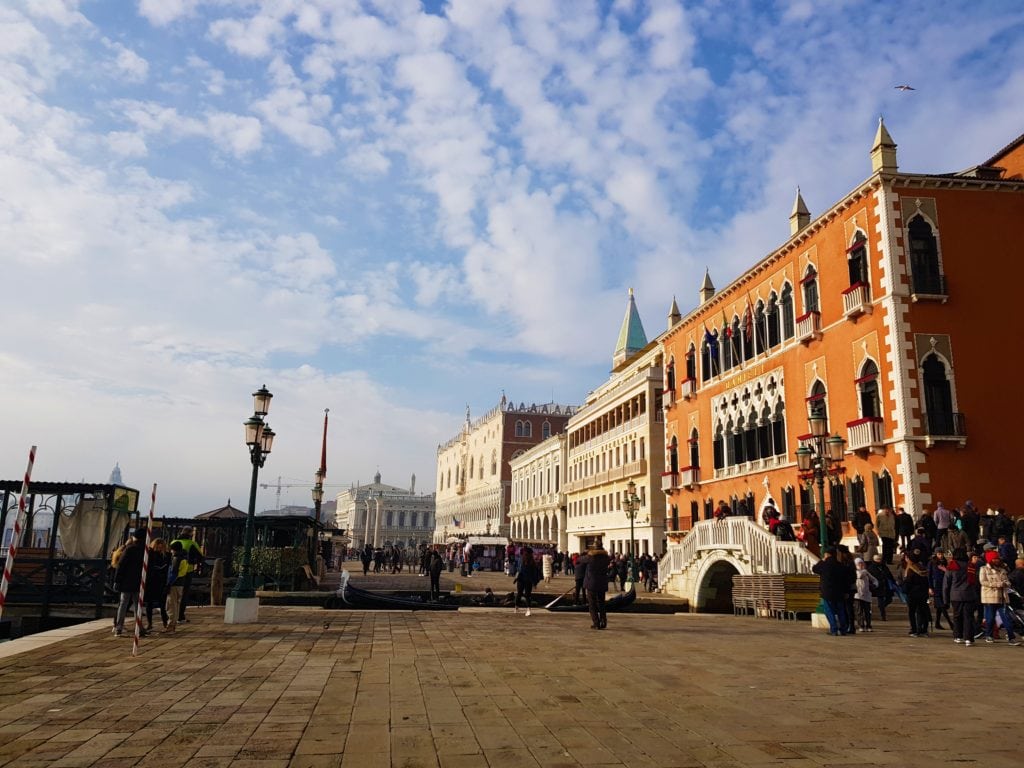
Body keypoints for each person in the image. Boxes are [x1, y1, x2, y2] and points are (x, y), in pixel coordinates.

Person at [979, 554, 1020, 645]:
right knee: (990, 618)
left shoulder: (1002, 570)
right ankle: (989, 635)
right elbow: (983, 582)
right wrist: (998, 584)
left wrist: (1005, 583)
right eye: (995, 559)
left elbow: (1007, 581)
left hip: (1002, 598)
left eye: (997, 559)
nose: (997, 560)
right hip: (990, 598)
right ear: (990, 560)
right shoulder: (984, 569)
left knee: (1006, 618)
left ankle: (1011, 638)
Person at [113, 531, 146, 637]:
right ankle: (140, 628)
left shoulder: (130, 549)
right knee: (138, 606)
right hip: (140, 582)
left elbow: (121, 565)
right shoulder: (146, 550)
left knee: (123, 604)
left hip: (126, 581)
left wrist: (117, 580)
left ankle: (119, 627)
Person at [943, 547, 979, 645]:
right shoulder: (970, 566)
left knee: (957, 616)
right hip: (969, 594)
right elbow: (974, 582)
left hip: (955, 595)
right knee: (969, 617)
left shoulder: (951, 566)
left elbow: (946, 585)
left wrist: (945, 600)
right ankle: (968, 638)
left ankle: (958, 636)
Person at [169, 526, 203, 624]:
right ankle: (180, 616)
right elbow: (200, 556)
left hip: (173, 571)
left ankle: (171, 616)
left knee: (171, 595)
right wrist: (194, 562)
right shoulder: (192, 543)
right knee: (183, 594)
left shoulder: (173, 542)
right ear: (190, 534)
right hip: (187, 571)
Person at [812, 548, 847, 635]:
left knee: (829, 611)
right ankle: (843, 629)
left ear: (827, 555)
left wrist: (821, 561)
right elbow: (845, 579)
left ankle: (834, 629)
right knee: (841, 611)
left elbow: (814, 569)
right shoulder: (840, 565)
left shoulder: (824, 565)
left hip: (827, 592)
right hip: (839, 591)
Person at [902, 549, 931, 637]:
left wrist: (905, 590)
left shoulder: (911, 569)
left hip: (913, 594)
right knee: (923, 611)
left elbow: (908, 583)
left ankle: (914, 629)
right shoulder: (922, 568)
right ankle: (923, 629)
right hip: (923, 594)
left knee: (912, 612)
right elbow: (927, 582)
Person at [144, 538, 170, 632]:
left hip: (161, 582)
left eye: (161, 547)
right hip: (151, 581)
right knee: (149, 603)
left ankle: (165, 622)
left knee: (162, 604)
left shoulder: (167, 555)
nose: (159, 548)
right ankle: (150, 623)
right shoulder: (150, 554)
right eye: (158, 547)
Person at [582, 543, 611, 630]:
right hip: (602, 582)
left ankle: (596, 623)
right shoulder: (606, 558)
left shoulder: (591, 557)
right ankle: (603, 622)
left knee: (592, 604)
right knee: (601, 603)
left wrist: (587, 553)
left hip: (592, 583)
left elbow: (580, 559)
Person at [162, 541, 188, 634]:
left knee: (170, 606)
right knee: (176, 605)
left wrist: (168, 584)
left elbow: (173, 573)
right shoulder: (184, 558)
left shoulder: (176, 559)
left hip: (174, 584)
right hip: (181, 584)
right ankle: (173, 625)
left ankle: (170, 626)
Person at [928, 550, 952, 630]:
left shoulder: (945, 561)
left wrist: (944, 569)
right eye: (939, 554)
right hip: (936, 586)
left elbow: (948, 573)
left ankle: (937, 623)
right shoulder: (932, 562)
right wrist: (930, 587)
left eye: (941, 554)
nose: (940, 555)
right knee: (942, 605)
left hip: (944, 586)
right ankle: (950, 623)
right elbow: (929, 575)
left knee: (940, 606)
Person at [866, 555, 894, 621]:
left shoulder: (884, 566)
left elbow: (889, 574)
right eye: (878, 559)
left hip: (886, 585)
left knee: (889, 599)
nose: (879, 560)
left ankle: (881, 607)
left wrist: (893, 581)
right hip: (878, 586)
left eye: (880, 559)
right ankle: (883, 616)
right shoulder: (871, 567)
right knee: (880, 600)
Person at [853, 558, 877, 632]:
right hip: (857, 595)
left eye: (862, 563)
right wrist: (863, 571)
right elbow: (859, 575)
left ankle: (869, 625)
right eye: (859, 563)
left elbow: (875, 580)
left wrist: (874, 585)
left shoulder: (866, 573)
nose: (861, 565)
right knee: (859, 611)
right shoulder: (856, 572)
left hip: (866, 595)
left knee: (867, 611)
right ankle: (861, 625)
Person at [513, 547, 539, 615]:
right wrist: (534, 583)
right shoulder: (532, 562)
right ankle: (528, 609)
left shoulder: (520, 560)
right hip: (528, 580)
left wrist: (516, 578)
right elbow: (534, 573)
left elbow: (518, 570)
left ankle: (516, 608)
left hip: (521, 580)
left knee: (519, 593)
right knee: (527, 595)